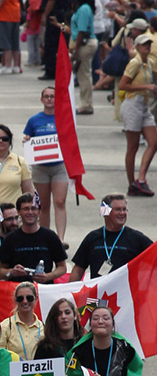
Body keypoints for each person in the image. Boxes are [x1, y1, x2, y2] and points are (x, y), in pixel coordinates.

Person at [69, 194, 152, 280]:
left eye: (124, 209)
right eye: (118, 209)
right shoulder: (92, 238)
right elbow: (78, 270)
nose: (122, 213)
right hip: (99, 292)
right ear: (105, 211)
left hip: (126, 292)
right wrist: (69, 291)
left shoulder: (137, 238)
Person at [23, 87, 69, 239]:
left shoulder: (64, 118)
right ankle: (45, 238)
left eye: (52, 96)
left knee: (60, 201)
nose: (49, 99)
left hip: (59, 166)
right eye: (47, 96)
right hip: (40, 168)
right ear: (42, 99)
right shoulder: (34, 120)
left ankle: (60, 239)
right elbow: (27, 138)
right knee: (43, 205)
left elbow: (71, 140)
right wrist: (27, 141)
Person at [118, 34, 157, 196]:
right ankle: (131, 182)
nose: (147, 47)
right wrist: (146, 86)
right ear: (138, 47)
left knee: (154, 142)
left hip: (143, 104)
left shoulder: (149, 62)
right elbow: (123, 85)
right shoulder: (134, 63)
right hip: (132, 104)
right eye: (144, 45)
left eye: (149, 44)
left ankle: (141, 178)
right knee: (132, 147)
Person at [0, 193, 67, 283]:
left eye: (34, 208)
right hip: (17, 290)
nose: (30, 212)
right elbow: (0, 270)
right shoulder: (10, 239)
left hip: (44, 289)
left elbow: (62, 267)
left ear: (39, 211)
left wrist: (47, 276)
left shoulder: (50, 236)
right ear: (18, 212)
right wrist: (11, 272)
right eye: (26, 209)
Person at [66, 0, 98, 115]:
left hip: (84, 43)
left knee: (84, 74)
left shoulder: (84, 9)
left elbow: (81, 31)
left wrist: (75, 50)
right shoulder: (82, 8)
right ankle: (86, 102)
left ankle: (86, 104)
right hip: (84, 43)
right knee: (83, 73)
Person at [0, 282, 45, 360]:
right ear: (15, 300)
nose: (25, 301)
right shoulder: (5, 326)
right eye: (20, 298)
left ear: (36, 299)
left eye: (29, 298)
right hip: (11, 371)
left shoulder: (44, 328)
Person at [0, 0, 22, 74]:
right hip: (16, 14)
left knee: (6, 41)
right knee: (15, 42)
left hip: (6, 14)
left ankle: (7, 66)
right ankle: (16, 66)